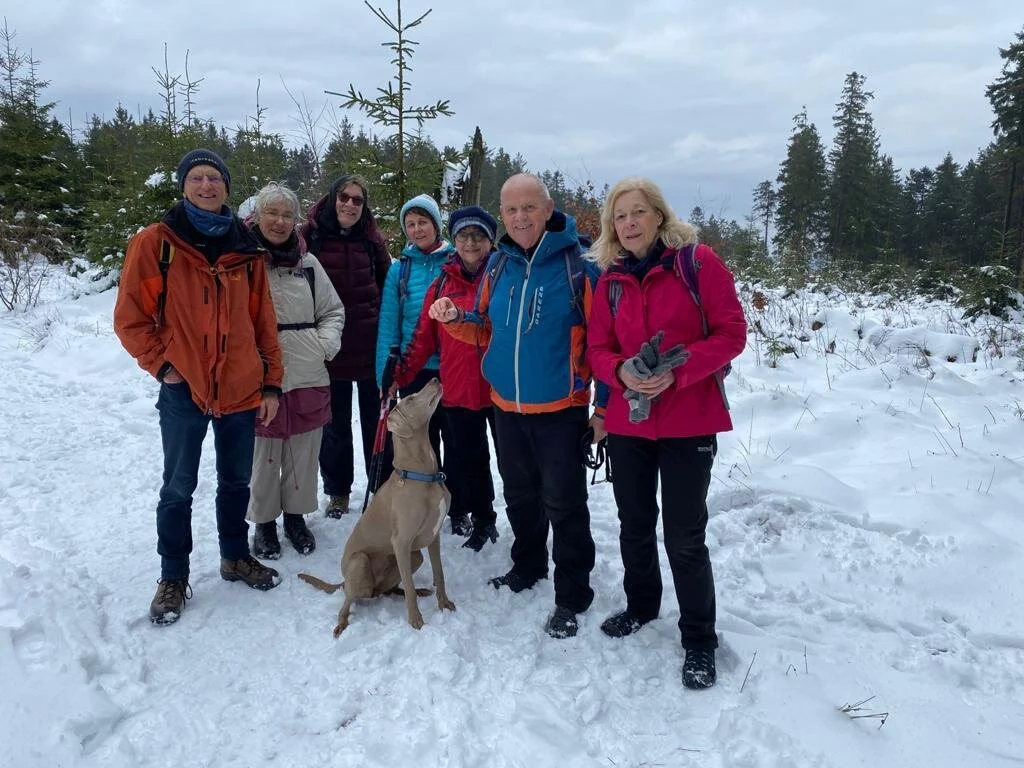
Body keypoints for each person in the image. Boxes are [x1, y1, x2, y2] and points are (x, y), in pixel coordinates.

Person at [428, 173, 608, 639]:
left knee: (565, 503)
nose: (520, 217)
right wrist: (456, 318)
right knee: (520, 494)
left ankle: (573, 594)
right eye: (511, 209)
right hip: (505, 406)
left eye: (529, 207)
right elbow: (485, 328)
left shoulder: (580, 265)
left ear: (548, 209)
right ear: (502, 215)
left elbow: (605, 344)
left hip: (561, 408)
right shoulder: (499, 264)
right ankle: (528, 565)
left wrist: (604, 408)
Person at [586, 176, 747, 689]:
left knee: (684, 534)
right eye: (619, 216)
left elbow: (732, 333)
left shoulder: (697, 264)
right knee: (633, 523)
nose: (629, 223)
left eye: (638, 212)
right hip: (629, 423)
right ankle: (641, 605)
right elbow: (597, 349)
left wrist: (679, 372)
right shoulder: (610, 280)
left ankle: (699, 639)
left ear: (659, 215)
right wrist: (620, 372)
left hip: (688, 421)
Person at [113, 148, 285, 627]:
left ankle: (234, 556)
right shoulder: (157, 243)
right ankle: (173, 576)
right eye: (197, 178)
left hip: (241, 387)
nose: (207, 186)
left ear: (226, 187)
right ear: (184, 186)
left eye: (215, 178)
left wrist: (271, 383)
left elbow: (263, 322)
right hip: (184, 388)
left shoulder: (246, 249)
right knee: (178, 486)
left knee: (236, 480)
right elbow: (130, 318)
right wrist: (164, 366)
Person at [245, 183, 345, 558]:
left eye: (287, 215)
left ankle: (296, 518)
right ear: (257, 216)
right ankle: (264, 523)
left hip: (307, 371)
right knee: (264, 452)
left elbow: (332, 311)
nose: (280, 221)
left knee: (303, 450)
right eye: (272, 213)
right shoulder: (244, 261)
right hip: (259, 374)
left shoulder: (309, 265)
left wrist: (324, 345)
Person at [393, 205, 501, 550]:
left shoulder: (504, 275)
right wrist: (400, 374)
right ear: (454, 240)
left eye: (478, 235)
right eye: (463, 236)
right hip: (458, 386)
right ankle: (482, 518)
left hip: (501, 387)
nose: (470, 242)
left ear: (490, 240)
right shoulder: (442, 282)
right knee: (470, 458)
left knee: (515, 464)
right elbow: (423, 337)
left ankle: (529, 526)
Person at [301, 175, 392, 517]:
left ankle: (381, 487)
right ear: (332, 198)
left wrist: (388, 342)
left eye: (357, 200)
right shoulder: (310, 236)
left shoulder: (372, 240)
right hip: (329, 349)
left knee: (377, 424)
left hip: (369, 348)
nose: (350, 204)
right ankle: (337, 491)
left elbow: (387, 286)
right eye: (344, 197)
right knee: (334, 426)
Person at [376, 193, 457, 516]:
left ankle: (458, 504)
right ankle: (424, 500)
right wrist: (385, 373)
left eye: (423, 222)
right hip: (414, 368)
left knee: (456, 438)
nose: (417, 229)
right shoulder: (400, 270)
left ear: (436, 225)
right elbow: (389, 324)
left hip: (452, 365)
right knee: (422, 440)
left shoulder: (455, 262)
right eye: (410, 224)